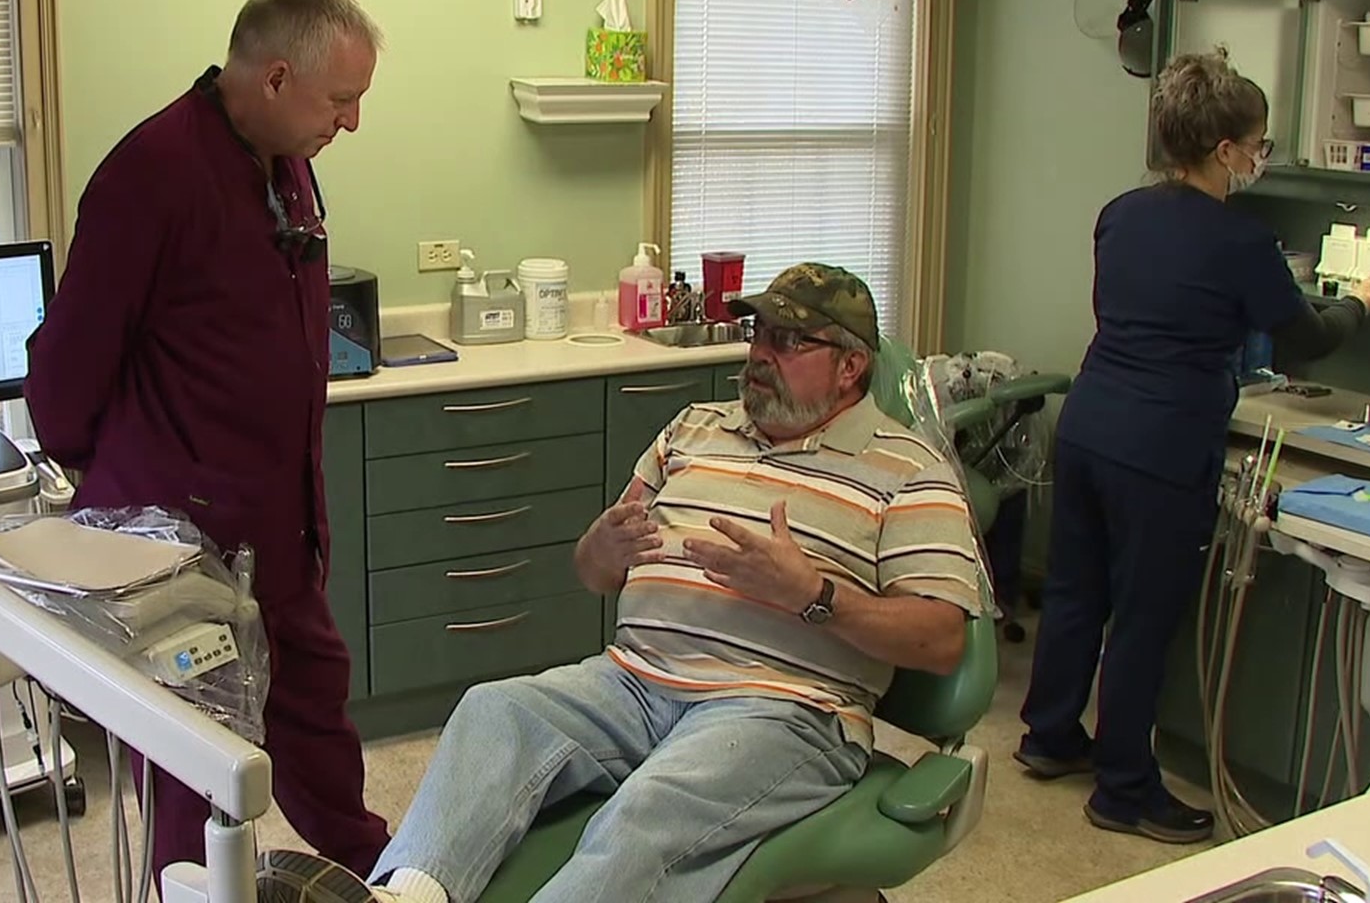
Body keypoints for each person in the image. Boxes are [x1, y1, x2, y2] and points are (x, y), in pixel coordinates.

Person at [292, 264, 984, 903]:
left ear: (850, 365)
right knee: (493, 710)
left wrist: (812, 594)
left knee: (647, 811)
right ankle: (404, 897)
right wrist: (600, 546)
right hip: (630, 682)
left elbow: (941, 641)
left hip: (782, 708)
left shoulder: (906, 469)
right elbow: (594, 574)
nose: (760, 355)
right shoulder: (697, 426)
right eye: (758, 335)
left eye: (789, 342)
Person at [22, 0, 392, 878]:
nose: (351, 123)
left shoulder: (290, 169)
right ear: (273, 79)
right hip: (176, 547)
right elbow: (63, 374)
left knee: (315, 723)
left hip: (281, 528)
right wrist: (122, 488)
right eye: (340, 101)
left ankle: (384, 879)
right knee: (193, 768)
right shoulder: (151, 174)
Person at [1014, 49, 1370, 844]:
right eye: (1257, 143)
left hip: (1090, 424)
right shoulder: (1243, 243)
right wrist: (1365, 300)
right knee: (1144, 617)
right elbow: (1309, 335)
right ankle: (1125, 789)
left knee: (1075, 592)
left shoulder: (1121, 213)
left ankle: (1051, 736)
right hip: (1161, 446)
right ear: (1226, 149)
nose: (1260, 157)